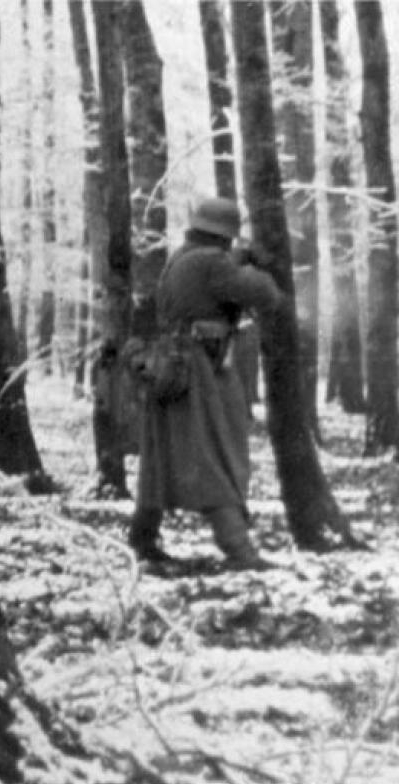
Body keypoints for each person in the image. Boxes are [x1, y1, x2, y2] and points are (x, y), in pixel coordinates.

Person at [128, 196, 284, 573]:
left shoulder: (181, 258)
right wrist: (261, 267)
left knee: (161, 458)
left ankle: (143, 537)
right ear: (224, 237)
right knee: (215, 453)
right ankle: (237, 547)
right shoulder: (212, 263)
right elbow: (266, 295)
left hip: (171, 366)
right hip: (198, 371)